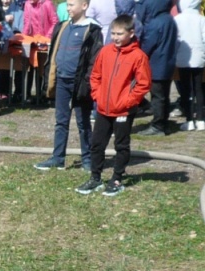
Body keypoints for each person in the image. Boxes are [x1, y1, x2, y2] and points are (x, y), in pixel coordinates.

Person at [75, 14, 150, 196]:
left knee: (121, 145)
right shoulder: (105, 51)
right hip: (103, 108)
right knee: (97, 144)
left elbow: (143, 84)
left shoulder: (138, 56)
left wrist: (127, 102)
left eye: (119, 34)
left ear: (131, 33)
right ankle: (95, 178)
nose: (115, 37)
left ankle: (116, 178)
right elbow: (95, 75)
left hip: (123, 110)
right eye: (113, 33)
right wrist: (97, 96)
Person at [34, 0, 102, 171]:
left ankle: (87, 159)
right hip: (62, 81)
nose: (68, 8)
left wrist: (87, 83)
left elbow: (94, 60)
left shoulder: (92, 30)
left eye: (72, 5)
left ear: (84, 6)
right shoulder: (62, 27)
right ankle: (58, 158)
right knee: (61, 121)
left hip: (80, 84)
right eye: (67, 5)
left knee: (83, 122)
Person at [136, 0, 178, 136]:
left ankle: (157, 126)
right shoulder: (170, 20)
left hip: (157, 65)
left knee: (157, 97)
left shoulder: (155, 23)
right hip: (168, 63)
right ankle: (164, 122)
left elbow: (148, 44)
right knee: (164, 95)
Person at [174, 0, 205, 131]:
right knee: (199, 88)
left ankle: (189, 119)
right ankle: (201, 119)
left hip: (183, 57)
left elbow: (175, 39)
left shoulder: (177, 19)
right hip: (199, 56)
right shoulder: (201, 19)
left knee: (186, 89)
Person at [22, 0, 58, 102]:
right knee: (29, 67)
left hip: (45, 42)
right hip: (32, 41)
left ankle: (43, 94)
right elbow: (26, 22)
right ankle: (27, 94)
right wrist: (24, 38)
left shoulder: (47, 3)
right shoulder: (27, 4)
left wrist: (46, 37)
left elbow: (55, 22)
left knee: (43, 69)